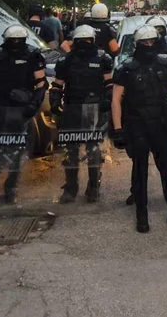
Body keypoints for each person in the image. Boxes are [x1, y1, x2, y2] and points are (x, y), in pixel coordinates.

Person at [111, 25, 167, 233]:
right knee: (140, 171)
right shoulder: (126, 68)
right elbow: (116, 100)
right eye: (144, 43)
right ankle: (142, 215)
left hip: (161, 124)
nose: (148, 46)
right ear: (137, 44)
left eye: (152, 42)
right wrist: (118, 129)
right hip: (136, 124)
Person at [0, 25, 47, 208]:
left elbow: (41, 84)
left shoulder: (32, 56)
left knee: (16, 153)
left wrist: (34, 104)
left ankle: (10, 188)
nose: (15, 45)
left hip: (20, 112)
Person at [50, 25, 113, 203]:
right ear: (75, 42)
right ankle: (71, 187)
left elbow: (109, 84)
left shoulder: (103, 59)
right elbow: (57, 85)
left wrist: (107, 100)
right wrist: (55, 102)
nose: (85, 44)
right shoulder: (66, 61)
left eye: (87, 41)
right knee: (70, 151)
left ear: (92, 41)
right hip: (72, 108)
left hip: (94, 108)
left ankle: (93, 186)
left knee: (93, 149)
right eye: (81, 41)